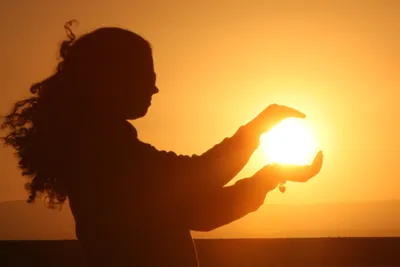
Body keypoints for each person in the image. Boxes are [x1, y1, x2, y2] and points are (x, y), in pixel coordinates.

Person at [1, 21, 323, 267]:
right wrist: (258, 128)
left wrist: (269, 176)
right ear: (114, 79)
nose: (155, 88)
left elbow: (199, 212)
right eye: (147, 75)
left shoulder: (101, 145)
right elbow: (198, 177)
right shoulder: (104, 151)